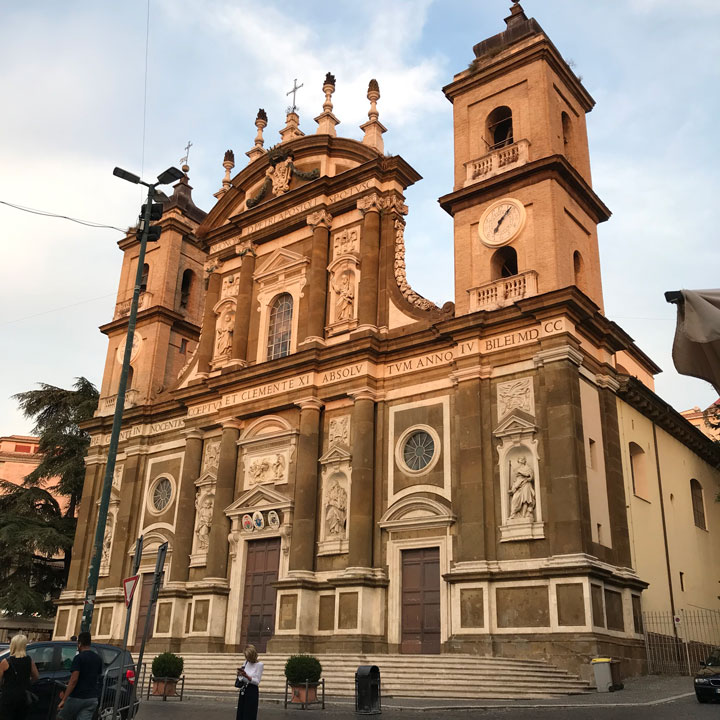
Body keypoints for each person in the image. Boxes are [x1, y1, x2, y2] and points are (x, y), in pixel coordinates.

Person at [57, 631, 103, 720]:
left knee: (61, 717)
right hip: (92, 698)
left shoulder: (78, 658)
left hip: (77, 696)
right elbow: (97, 676)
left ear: (80, 644)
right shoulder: (98, 658)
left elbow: (74, 680)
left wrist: (64, 699)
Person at [0, 634, 39, 720]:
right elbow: (36, 676)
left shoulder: (6, 662)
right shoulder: (29, 660)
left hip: (8, 697)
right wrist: (27, 682)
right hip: (23, 696)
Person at [235, 644, 263, 720]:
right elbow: (242, 677)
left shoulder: (259, 665)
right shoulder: (246, 662)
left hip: (252, 691)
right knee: (241, 712)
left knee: (249, 713)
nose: (246, 658)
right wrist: (240, 675)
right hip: (243, 690)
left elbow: (257, 681)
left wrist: (247, 676)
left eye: (248, 656)